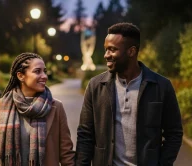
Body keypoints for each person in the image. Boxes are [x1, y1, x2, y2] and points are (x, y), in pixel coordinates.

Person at [75, 22, 183, 166]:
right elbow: (85, 134)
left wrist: (162, 163)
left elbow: (174, 133)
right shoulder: (96, 86)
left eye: (112, 50)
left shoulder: (161, 86)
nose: (107, 55)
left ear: (131, 51)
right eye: (106, 49)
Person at [0, 52, 75, 166]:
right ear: (20, 75)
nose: (44, 76)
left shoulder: (56, 107)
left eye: (44, 71)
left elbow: (66, 154)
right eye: (37, 71)